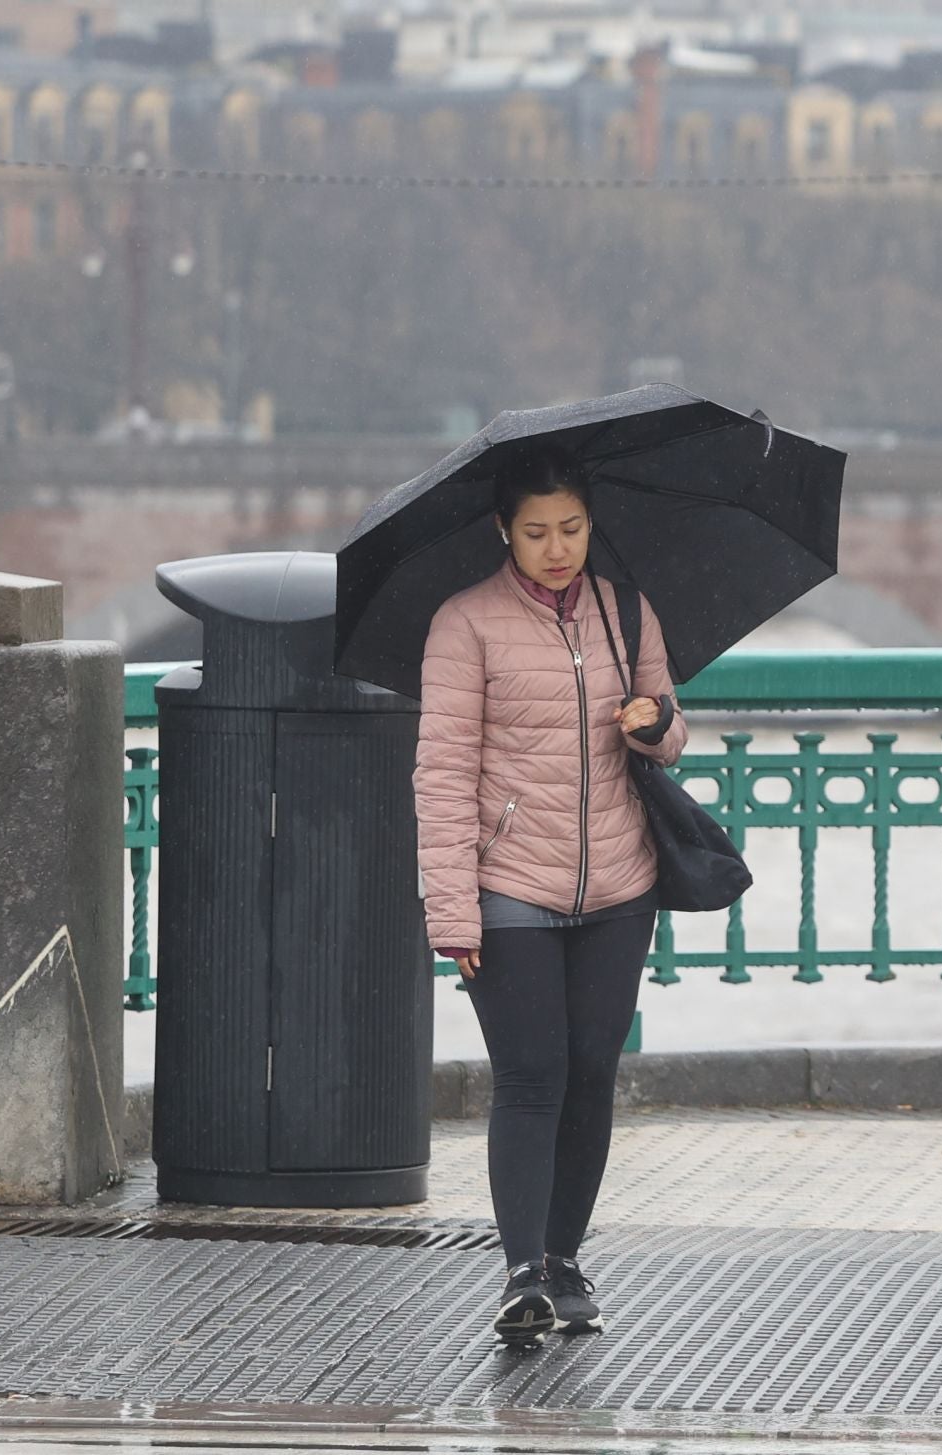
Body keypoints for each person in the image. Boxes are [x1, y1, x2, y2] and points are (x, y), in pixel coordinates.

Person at [414, 448, 687, 1347]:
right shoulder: (465, 624)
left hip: (619, 883)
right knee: (531, 1076)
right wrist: (453, 909)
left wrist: (655, 725)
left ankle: (566, 1262)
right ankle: (522, 1271)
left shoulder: (627, 610)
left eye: (571, 527)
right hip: (511, 887)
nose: (558, 547)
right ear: (504, 530)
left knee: (593, 1073)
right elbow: (442, 774)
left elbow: (669, 728)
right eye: (536, 532)